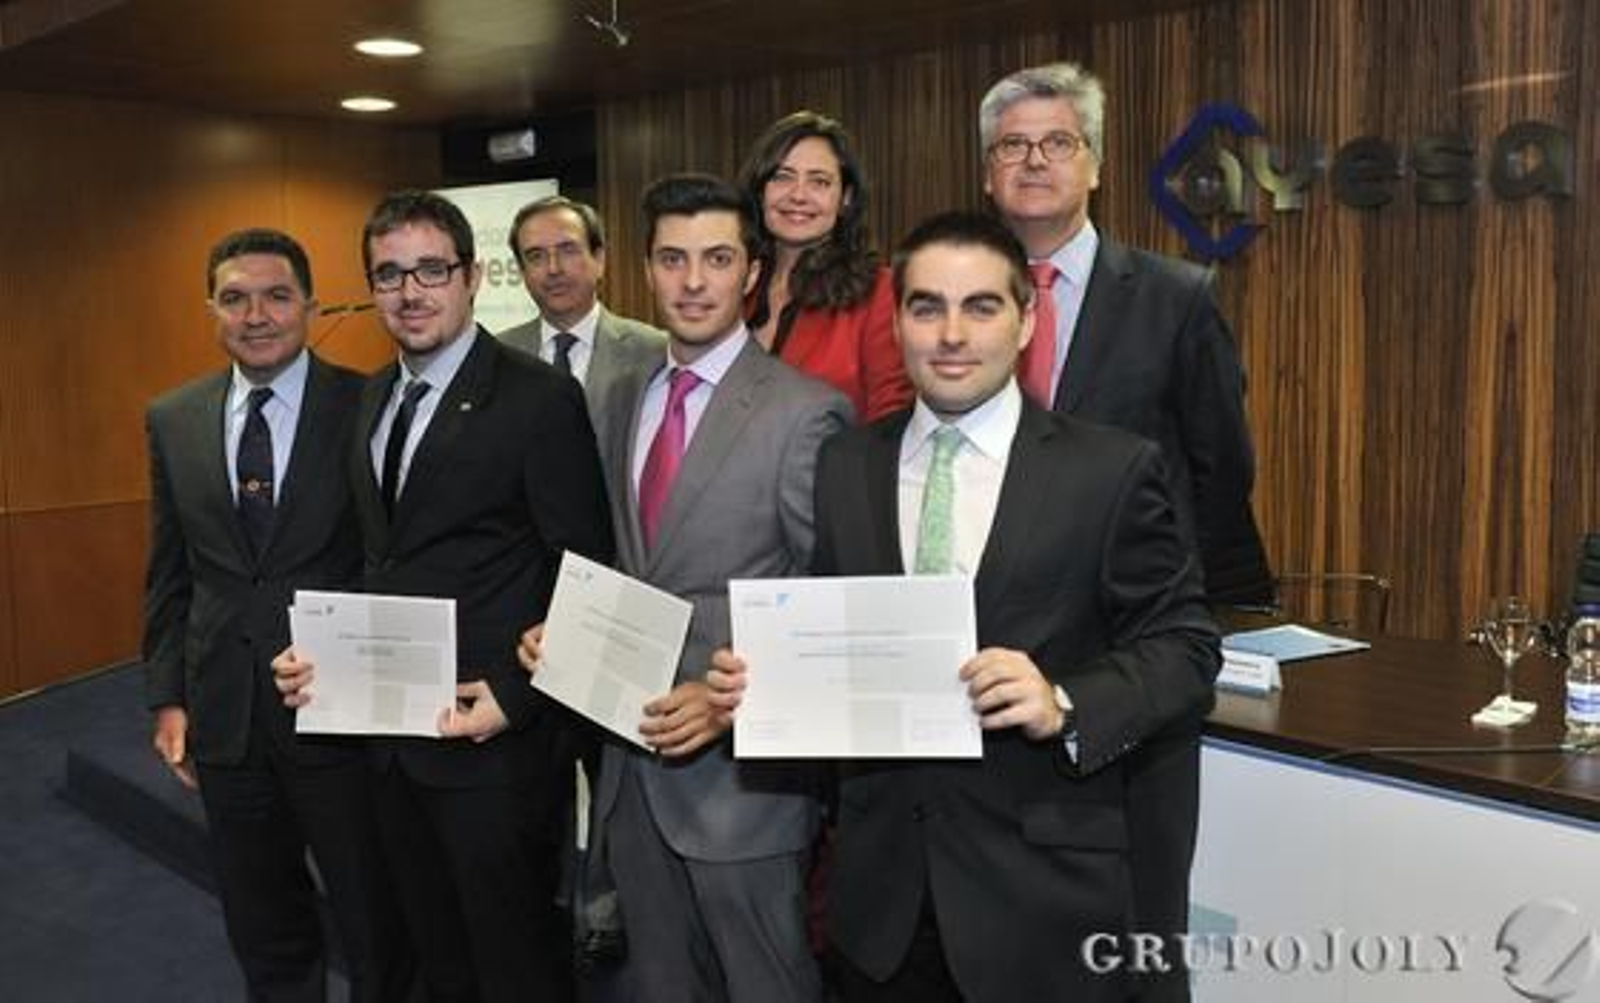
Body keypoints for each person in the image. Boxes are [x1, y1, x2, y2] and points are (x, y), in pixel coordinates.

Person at [712, 211, 1220, 1001]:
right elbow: (839, 637)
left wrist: (1064, 698)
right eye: (926, 307)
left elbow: (1186, 646)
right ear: (898, 320)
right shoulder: (848, 463)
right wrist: (769, 687)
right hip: (881, 908)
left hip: (1045, 904)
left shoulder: (1110, 469)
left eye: (981, 307)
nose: (952, 333)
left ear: (1026, 321)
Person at [518, 173, 852, 1003]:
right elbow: (621, 562)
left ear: (749, 271)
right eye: (673, 258)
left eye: (716, 258)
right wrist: (562, 629)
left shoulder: (806, 412)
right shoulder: (622, 397)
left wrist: (728, 696)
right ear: (645, 269)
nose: (693, 281)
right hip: (631, 776)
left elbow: (829, 602)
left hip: (745, 789)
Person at [274, 190, 615, 1002]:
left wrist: (518, 693)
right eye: (388, 274)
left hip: (491, 740)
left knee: (515, 962)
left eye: (431, 269)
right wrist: (314, 654)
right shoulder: (370, 400)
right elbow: (374, 558)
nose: (410, 291)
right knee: (435, 957)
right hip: (391, 738)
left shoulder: (536, 398)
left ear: (470, 278)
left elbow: (586, 570)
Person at [143, 228, 411, 1001]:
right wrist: (168, 694)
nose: (255, 315)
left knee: (375, 920)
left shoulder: (370, 404)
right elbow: (170, 570)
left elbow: (390, 561)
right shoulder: (173, 417)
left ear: (310, 305)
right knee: (264, 927)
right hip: (227, 716)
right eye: (235, 298)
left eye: (276, 295)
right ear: (211, 310)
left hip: (343, 716)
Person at [980, 61, 1273, 606]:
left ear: (1095, 167)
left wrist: (1170, 589)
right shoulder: (959, 303)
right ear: (987, 175)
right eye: (1012, 145)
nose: (1034, 160)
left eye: (1059, 142)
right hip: (1001, 602)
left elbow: (1223, 470)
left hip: (1139, 600)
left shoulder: (1177, 298)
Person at [738, 110, 913, 421]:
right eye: (782, 177)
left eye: (819, 182)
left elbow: (893, 419)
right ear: (759, 190)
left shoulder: (881, 293)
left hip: (838, 468)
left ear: (845, 198)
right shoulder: (735, 287)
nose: (798, 195)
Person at [498, 194, 668, 444]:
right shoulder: (497, 356)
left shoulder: (655, 352)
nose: (553, 268)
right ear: (522, 271)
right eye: (536, 256)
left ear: (599, 260)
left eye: (568, 250)